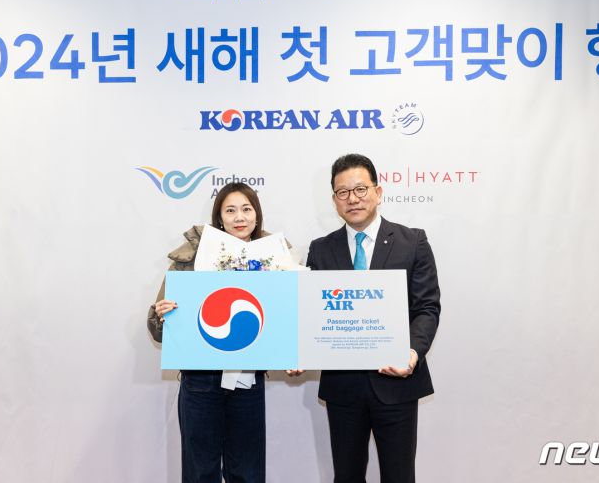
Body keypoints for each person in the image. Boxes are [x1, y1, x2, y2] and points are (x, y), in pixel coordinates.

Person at [299, 154, 441, 483]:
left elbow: (427, 308)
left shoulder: (412, 242)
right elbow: (310, 313)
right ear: (334, 200)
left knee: (399, 476)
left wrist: (412, 353)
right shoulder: (321, 249)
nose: (353, 199)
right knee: (346, 476)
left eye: (360, 189)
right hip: (342, 388)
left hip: (396, 383)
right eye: (343, 192)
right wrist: (299, 352)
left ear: (378, 192)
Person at [148, 182, 270, 483]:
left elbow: (287, 319)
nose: (239, 217)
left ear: (256, 215)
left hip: (247, 381)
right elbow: (159, 330)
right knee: (200, 472)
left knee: (248, 473)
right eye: (230, 210)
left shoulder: (275, 259)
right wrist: (161, 316)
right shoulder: (191, 259)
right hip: (200, 381)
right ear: (219, 219)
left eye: (246, 209)